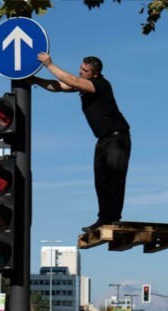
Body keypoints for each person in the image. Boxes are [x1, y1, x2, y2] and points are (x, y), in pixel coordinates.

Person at [29, 53, 131, 231]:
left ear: (95, 74)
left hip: (117, 137)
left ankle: (112, 218)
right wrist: (35, 80)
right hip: (102, 139)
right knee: (100, 180)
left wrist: (49, 64)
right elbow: (59, 86)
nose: (80, 72)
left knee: (114, 178)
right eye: (81, 69)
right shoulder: (84, 86)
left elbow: (72, 80)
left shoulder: (100, 84)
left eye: (85, 71)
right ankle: (104, 218)